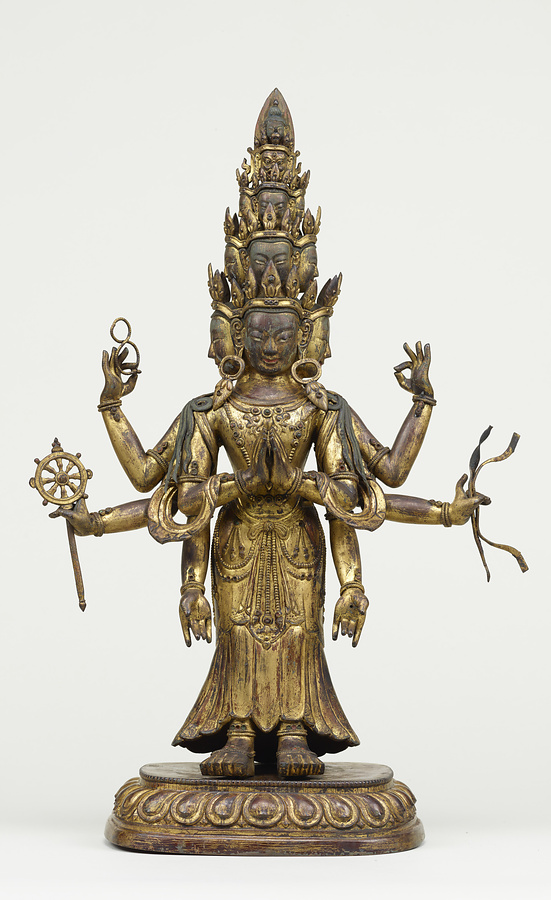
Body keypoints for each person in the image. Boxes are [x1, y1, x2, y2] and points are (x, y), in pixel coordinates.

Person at [55, 90, 488, 779]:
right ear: (233, 333)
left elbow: (377, 482)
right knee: (236, 635)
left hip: (296, 544)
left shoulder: (322, 405)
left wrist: (423, 408)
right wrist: (111, 414)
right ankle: (233, 730)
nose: (271, 345)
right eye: (258, 333)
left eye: (285, 334)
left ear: (307, 334)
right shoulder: (211, 409)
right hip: (233, 540)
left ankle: (292, 731)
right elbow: (159, 486)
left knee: (294, 635)